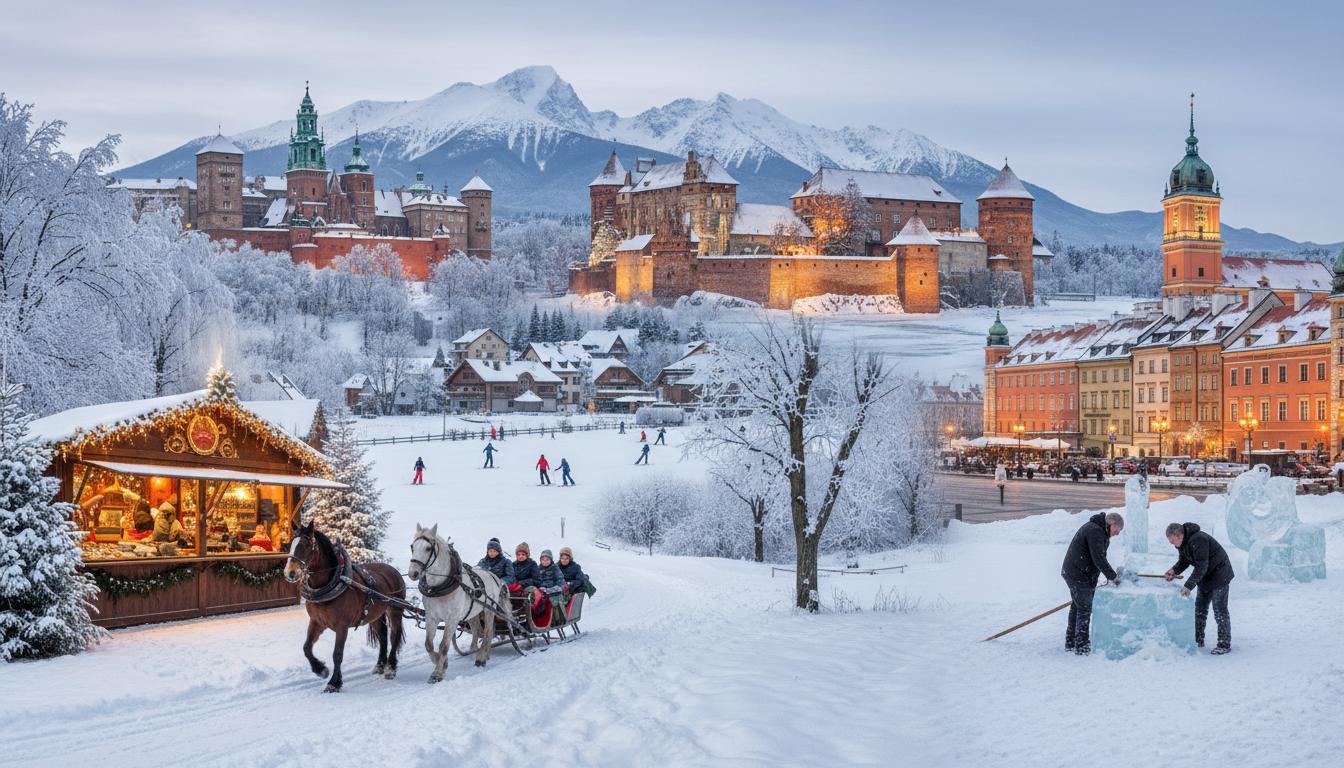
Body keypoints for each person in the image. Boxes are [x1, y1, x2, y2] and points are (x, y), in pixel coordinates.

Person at [1164, 522, 1234, 654]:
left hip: (1220, 575)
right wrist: (1174, 571)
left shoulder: (1198, 539)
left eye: (1172, 541)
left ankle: (1224, 644)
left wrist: (1188, 586)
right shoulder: (1183, 544)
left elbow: (1201, 566)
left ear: (1179, 536)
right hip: (1205, 576)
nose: (1172, 544)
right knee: (1200, 609)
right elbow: (1184, 561)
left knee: (1220, 610)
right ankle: (1198, 639)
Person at [1060, 512, 1124, 654]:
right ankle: (1081, 646)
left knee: (1077, 607)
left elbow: (1097, 558)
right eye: (1117, 529)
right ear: (1111, 524)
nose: (1117, 533)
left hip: (1079, 573)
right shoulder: (1095, 531)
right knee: (1084, 608)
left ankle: (1071, 642)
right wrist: (1113, 577)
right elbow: (1099, 559)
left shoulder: (1099, 530)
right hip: (1077, 574)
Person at [534, 549, 569, 625]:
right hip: (541, 592)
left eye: (547, 560)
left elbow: (561, 584)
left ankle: (551, 619)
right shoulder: (538, 569)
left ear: (551, 560)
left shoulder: (555, 569)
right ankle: (534, 620)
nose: (545, 561)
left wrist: (548, 590)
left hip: (552, 592)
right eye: (543, 560)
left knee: (550, 601)